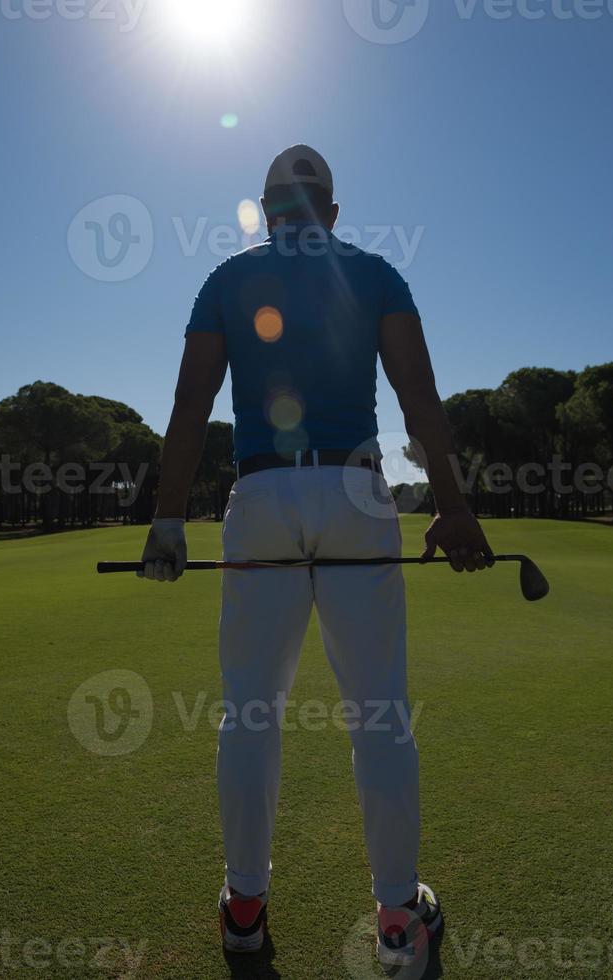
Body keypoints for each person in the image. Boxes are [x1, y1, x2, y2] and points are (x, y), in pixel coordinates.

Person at [139, 145, 492, 968]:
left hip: (259, 499)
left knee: (249, 713)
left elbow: (192, 403)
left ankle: (246, 907)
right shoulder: (375, 273)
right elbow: (419, 398)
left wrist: (165, 517)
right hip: (359, 497)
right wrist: (452, 505)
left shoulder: (225, 280)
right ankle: (400, 920)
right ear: (331, 213)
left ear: (266, 212)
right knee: (380, 715)